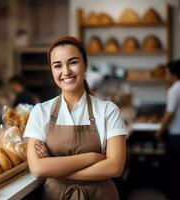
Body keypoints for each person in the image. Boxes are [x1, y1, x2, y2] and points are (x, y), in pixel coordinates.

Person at [24, 36, 128, 200]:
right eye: (57, 65)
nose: (66, 71)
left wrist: (55, 166)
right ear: (52, 70)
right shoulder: (40, 112)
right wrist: (94, 157)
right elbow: (37, 169)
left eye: (73, 62)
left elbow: (114, 167)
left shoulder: (108, 110)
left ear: (85, 65)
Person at [155, 60, 180, 200]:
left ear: (173, 74)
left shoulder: (174, 89)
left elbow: (169, 113)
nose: (166, 76)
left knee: (174, 168)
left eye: (167, 73)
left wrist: (159, 131)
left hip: (176, 135)